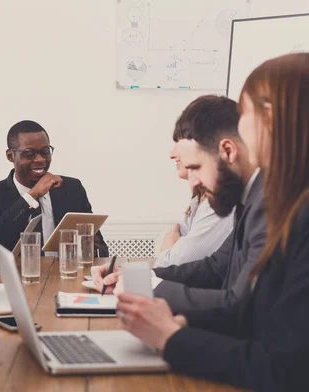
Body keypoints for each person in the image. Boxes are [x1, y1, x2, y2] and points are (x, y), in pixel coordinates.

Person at [114, 53, 309, 391]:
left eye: (245, 112)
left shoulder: (295, 211)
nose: (240, 123)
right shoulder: (283, 200)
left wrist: (172, 336)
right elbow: (230, 282)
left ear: (272, 119)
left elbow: (282, 366)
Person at [93, 95, 265, 313]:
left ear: (228, 151)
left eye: (195, 167)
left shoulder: (267, 207)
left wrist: (165, 323)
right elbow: (215, 267)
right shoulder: (248, 200)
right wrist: (135, 279)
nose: (193, 181)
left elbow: (239, 306)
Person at [0, 120, 109, 258]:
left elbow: (102, 249)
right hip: (20, 276)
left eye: (45, 151)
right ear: (10, 155)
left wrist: (91, 248)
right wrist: (31, 196)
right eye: (29, 153)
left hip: (66, 275)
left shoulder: (71, 189)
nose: (39, 159)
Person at [154, 136, 234, 268]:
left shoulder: (219, 202)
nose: (171, 154)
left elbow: (173, 265)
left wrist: (167, 248)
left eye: (179, 145)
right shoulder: (199, 199)